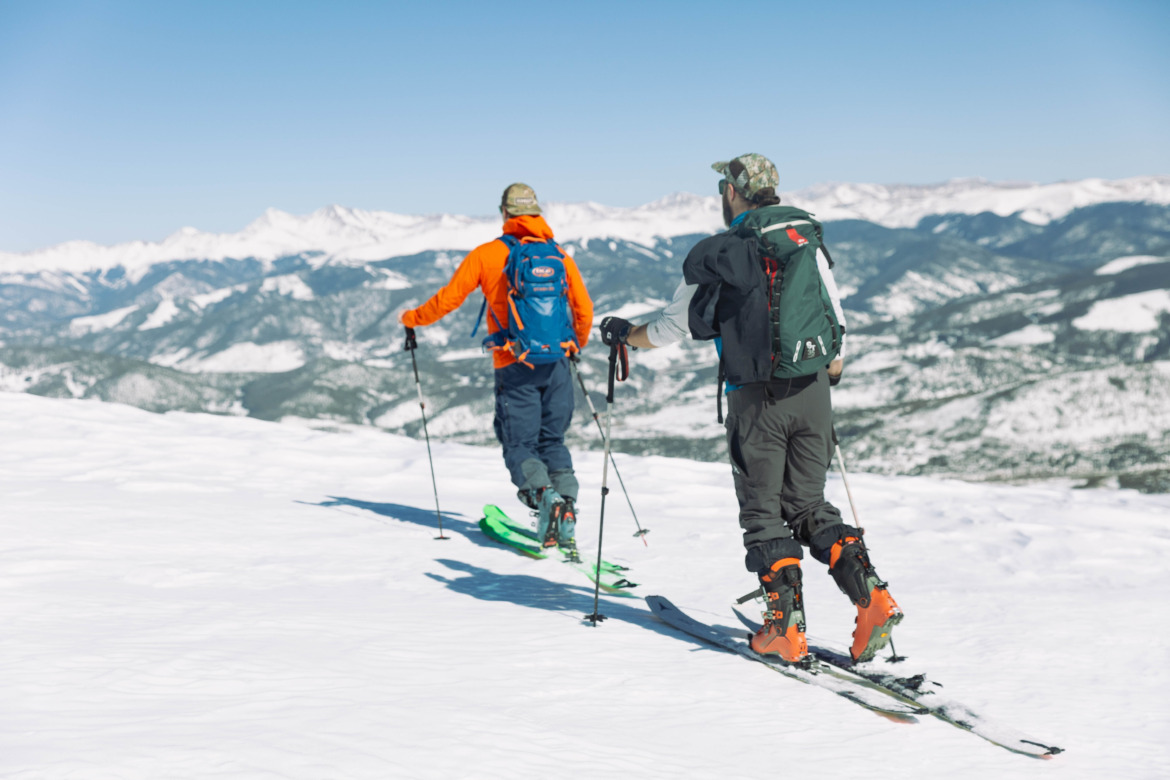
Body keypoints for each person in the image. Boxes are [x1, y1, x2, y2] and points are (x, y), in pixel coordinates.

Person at [599, 154, 902, 664]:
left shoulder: (720, 251)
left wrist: (627, 335)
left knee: (764, 516)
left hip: (755, 398)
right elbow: (836, 318)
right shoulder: (805, 239)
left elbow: (672, 328)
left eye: (723, 187)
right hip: (813, 391)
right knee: (808, 506)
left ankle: (784, 630)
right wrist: (828, 369)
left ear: (733, 194)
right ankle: (872, 596)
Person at [400, 183, 594, 552]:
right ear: (537, 213)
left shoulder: (487, 255)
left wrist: (412, 318)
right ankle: (566, 506)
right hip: (557, 364)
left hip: (514, 365)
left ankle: (544, 501)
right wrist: (574, 346)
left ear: (504, 213)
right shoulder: (559, 256)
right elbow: (583, 309)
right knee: (552, 440)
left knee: (519, 442)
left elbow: (448, 299)